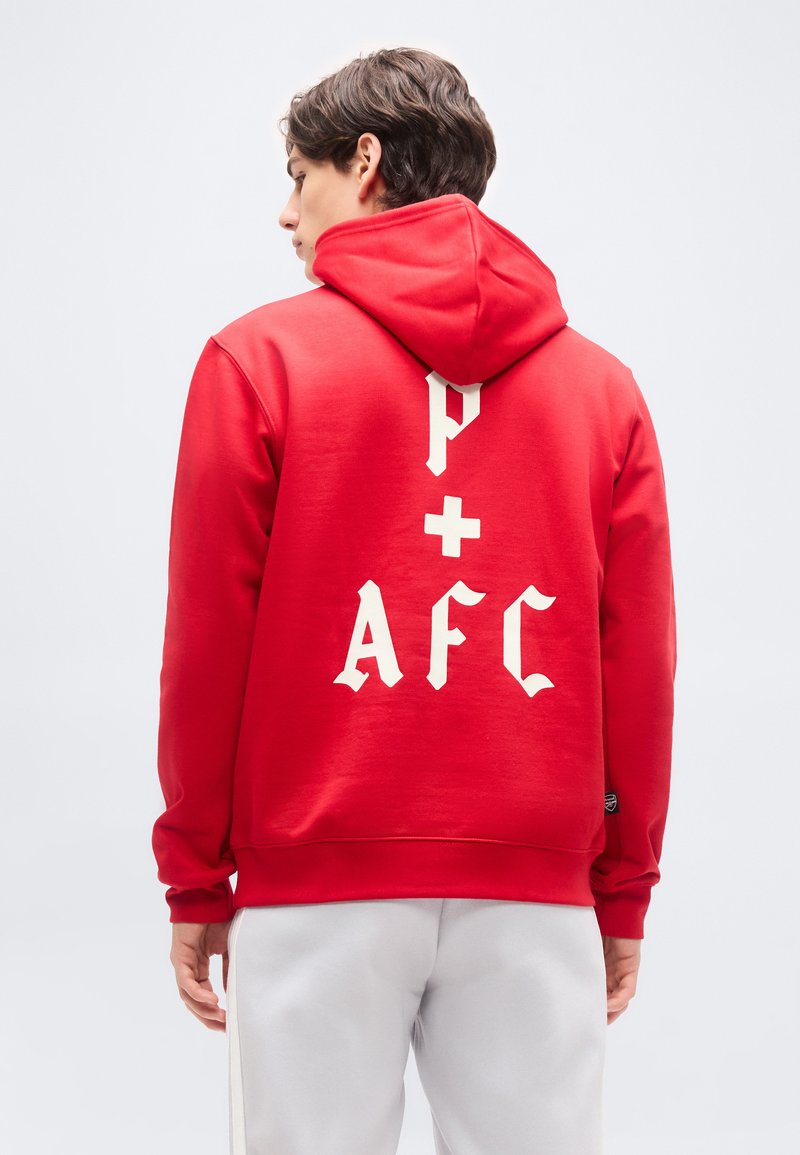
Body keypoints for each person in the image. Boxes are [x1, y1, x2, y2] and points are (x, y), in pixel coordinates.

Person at [151, 45, 677, 1155]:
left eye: (299, 177)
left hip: (317, 880)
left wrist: (196, 874)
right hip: (533, 888)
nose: (285, 213)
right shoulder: (603, 392)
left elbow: (206, 645)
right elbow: (638, 661)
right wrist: (620, 885)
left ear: (365, 161)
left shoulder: (256, 362)